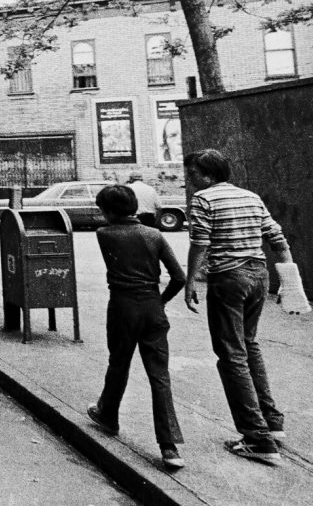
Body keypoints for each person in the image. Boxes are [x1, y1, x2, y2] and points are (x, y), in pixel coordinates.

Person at [183, 149, 292, 467]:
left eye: (191, 174)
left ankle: (257, 438)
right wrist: (289, 281)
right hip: (259, 276)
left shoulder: (203, 199)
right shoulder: (250, 196)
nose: (190, 180)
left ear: (206, 174)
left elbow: (200, 242)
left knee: (231, 355)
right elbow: (277, 237)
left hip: (228, 279)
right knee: (249, 345)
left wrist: (190, 282)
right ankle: (272, 421)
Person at [86, 185, 187, 470]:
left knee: (118, 363)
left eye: (103, 210)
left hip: (122, 308)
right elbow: (178, 277)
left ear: (110, 211)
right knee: (159, 375)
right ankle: (169, 446)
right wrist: (161, 301)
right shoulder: (154, 235)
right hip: (153, 309)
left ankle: (108, 414)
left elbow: (115, 231)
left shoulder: (104, 234)